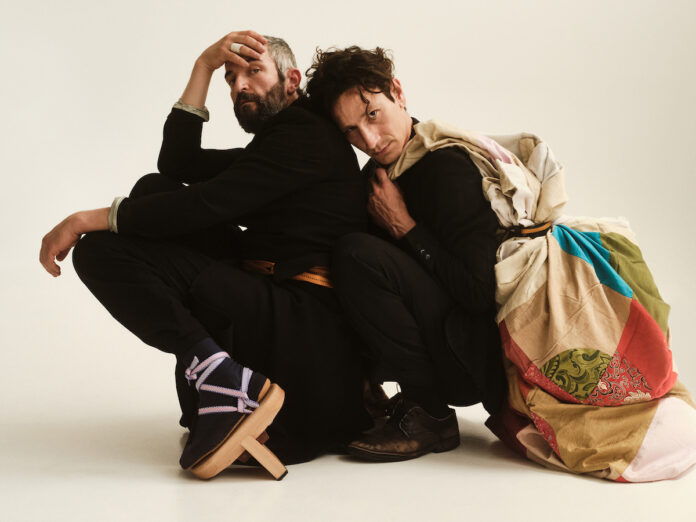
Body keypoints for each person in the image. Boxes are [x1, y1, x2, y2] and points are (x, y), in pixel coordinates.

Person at [39, 31, 372, 477]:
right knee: (154, 189)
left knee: (99, 250)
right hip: (277, 300)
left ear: (292, 81)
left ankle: (223, 379)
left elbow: (207, 203)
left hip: (305, 325)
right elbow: (178, 163)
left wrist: (86, 219)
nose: (239, 86)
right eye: (231, 79)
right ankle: (221, 375)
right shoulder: (278, 141)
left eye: (254, 71)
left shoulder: (305, 137)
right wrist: (203, 66)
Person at [305, 47, 507, 462]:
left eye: (373, 115)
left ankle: (430, 414)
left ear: (397, 92)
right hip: (439, 344)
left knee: (357, 254)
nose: (369, 140)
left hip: (473, 356)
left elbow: (479, 293)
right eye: (351, 131)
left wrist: (405, 227)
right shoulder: (378, 176)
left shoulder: (445, 166)